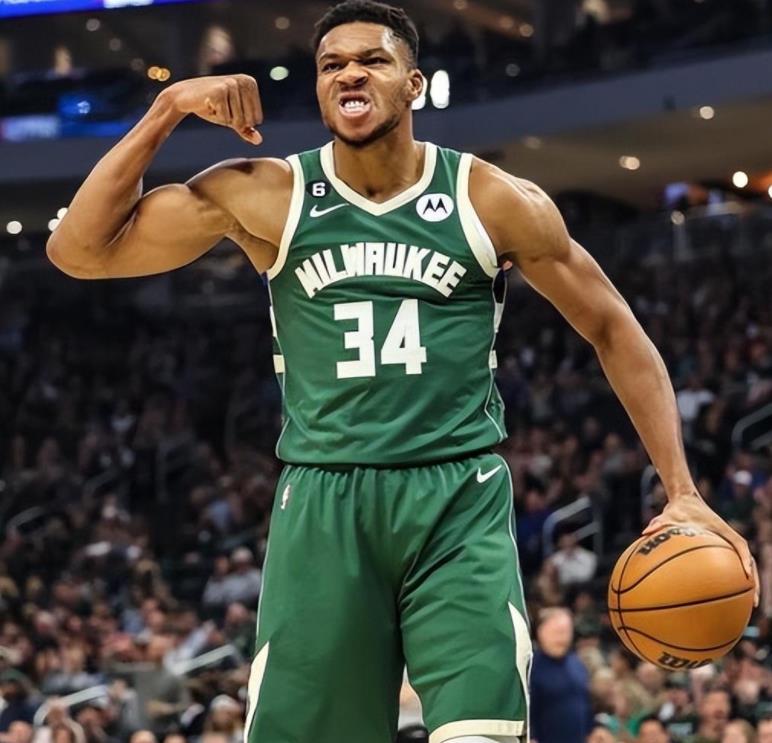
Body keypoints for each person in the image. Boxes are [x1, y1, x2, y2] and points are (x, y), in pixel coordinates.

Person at [46, 1, 759, 741]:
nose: (349, 74)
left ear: (414, 83)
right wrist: (165, 110)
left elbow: (614, 328)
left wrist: (682, 489)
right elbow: (79, 252)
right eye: (331, 65)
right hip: (324, 501)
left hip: (456, 497)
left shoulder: (491, 198)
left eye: (372, 60)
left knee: (480, 731)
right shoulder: (266, 192)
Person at [530, 608, 593, 743]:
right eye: (557, 632)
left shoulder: (577, 664)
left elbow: (586, 704)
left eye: (566, 632)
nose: (562, 637)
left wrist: (592, 730)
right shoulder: (531, 667)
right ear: (541, 632)